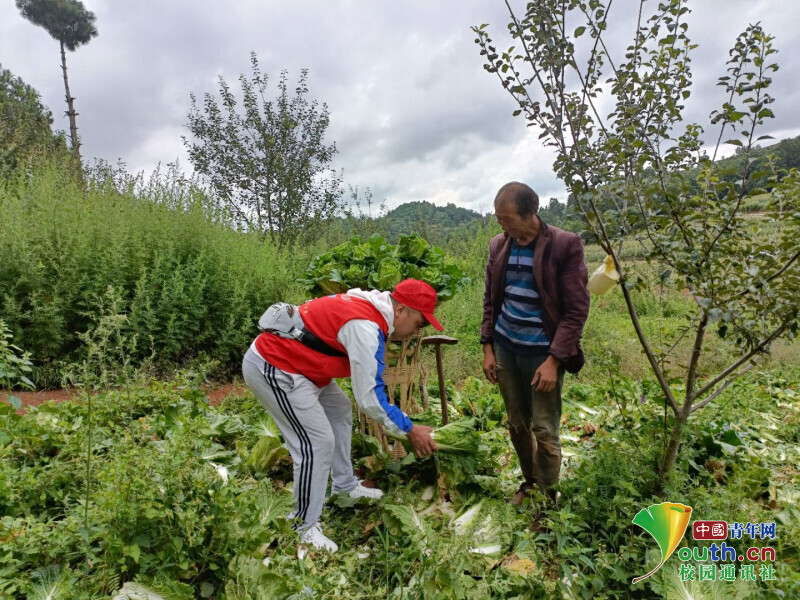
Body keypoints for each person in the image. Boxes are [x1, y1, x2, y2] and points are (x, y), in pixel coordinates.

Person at [242, 278, 441, 552]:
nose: (415, 331)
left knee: (339, 408)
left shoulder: (371, 309)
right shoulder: (365, 326)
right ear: (401, 310)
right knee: (315, 444)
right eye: (419, 322)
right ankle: (302, 527)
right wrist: (410, 429)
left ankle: (345, 485)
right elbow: (370, 398)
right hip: (275, 367)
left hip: (302, 366)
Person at [481, 182, 589, 505]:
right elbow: (490, 301)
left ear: (530, 214)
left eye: (506, 218)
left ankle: (547, 498)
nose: (501, 225)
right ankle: (529, 483)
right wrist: (487, 347)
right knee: (517, 424)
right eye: (498, 218)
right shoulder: (499, 247)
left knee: (544, 430)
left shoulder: (564, 245)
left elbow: (576, 310)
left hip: (543, 353)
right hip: (506, 348)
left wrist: (554, 361)